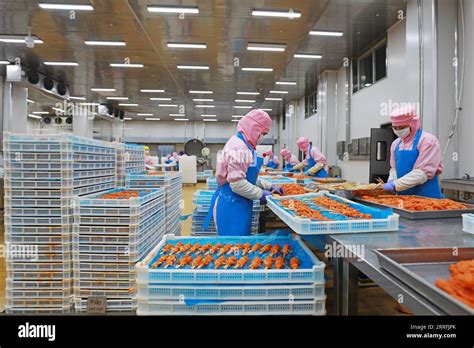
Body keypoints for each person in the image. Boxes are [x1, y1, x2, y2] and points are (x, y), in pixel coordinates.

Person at [204, 109, 284, 236]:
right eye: (263, 133)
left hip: (240, 202)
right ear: (254, 128)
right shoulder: (239, 147)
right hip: (232, 204)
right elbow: (237, 184)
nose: (262, 137)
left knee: (241, 245)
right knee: (233, 245)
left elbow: (245, 176)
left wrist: (268, 186)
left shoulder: (246, 145)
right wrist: (260, 194)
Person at [383, 108, 443, 198]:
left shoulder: (428, 141)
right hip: (403, 198)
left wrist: (395, 185)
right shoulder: (396, 144)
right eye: (395, 128)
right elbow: (394, 169)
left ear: (412, 124)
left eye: (402, 127)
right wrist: (391, 181)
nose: (398, 130)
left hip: (428, 198)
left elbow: (422, 173)